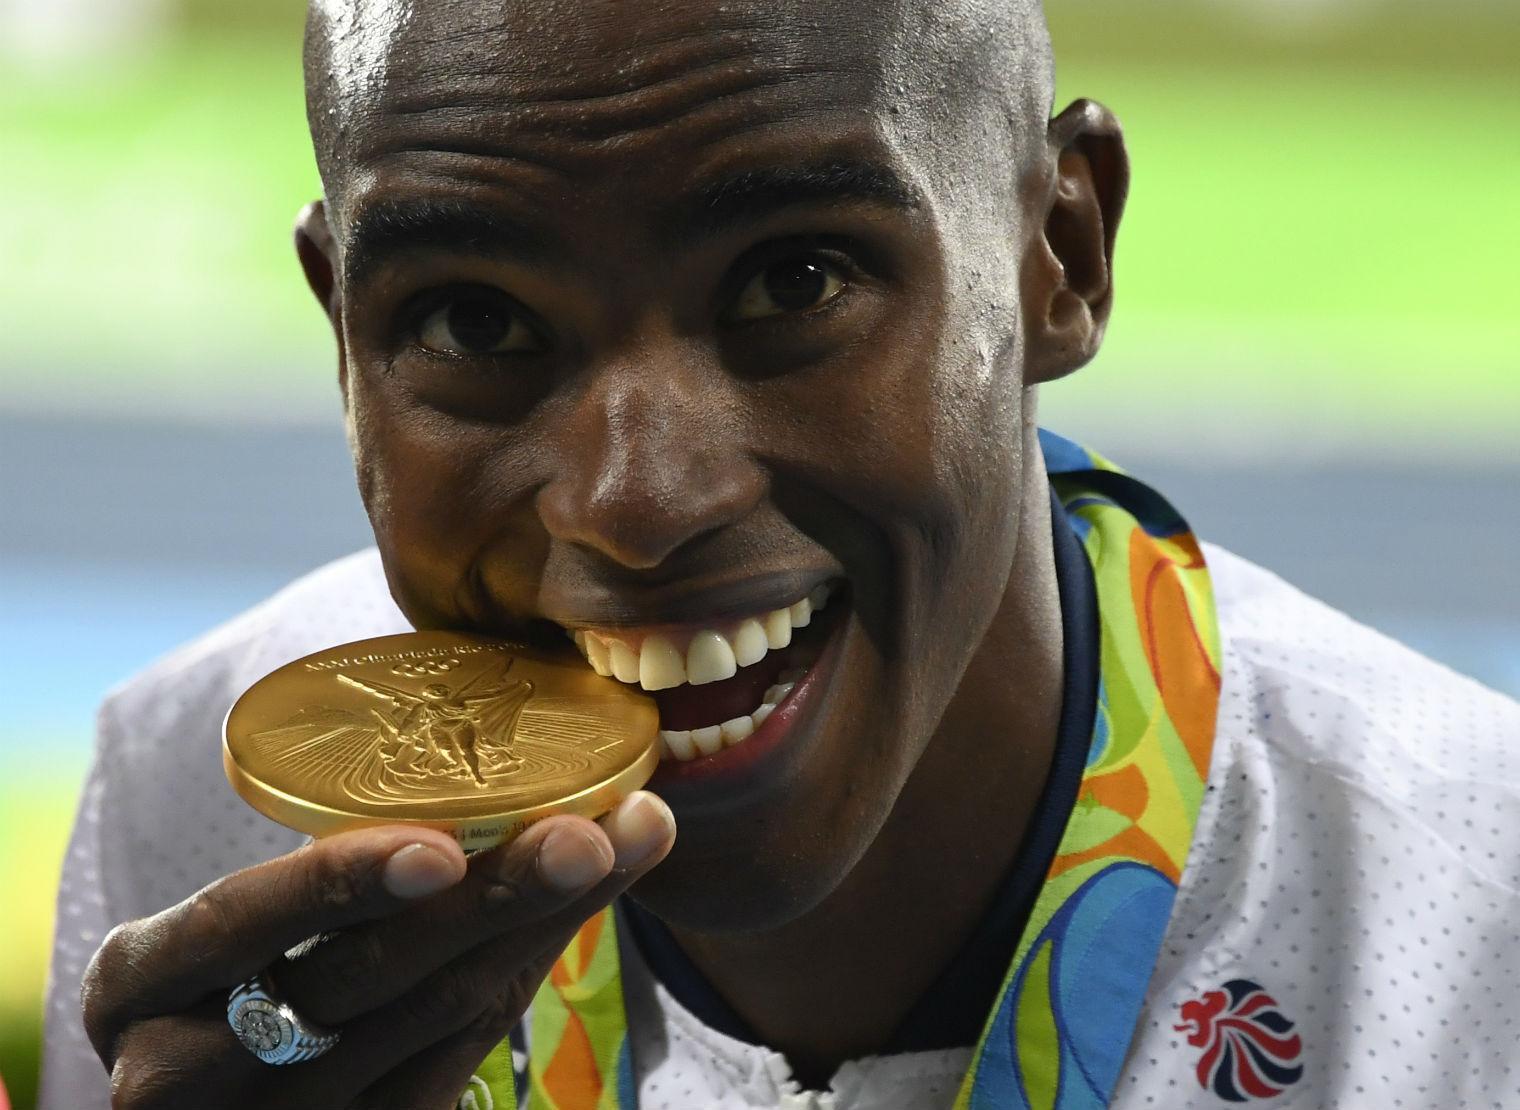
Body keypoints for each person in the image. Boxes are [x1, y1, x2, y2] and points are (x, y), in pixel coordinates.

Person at [39, 1, 1520, 1107]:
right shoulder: (196, 819)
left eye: (794, 279)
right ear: (343, 333)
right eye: (473, 322)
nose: (632, 498)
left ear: (1061, 252)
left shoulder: (1473, 910)